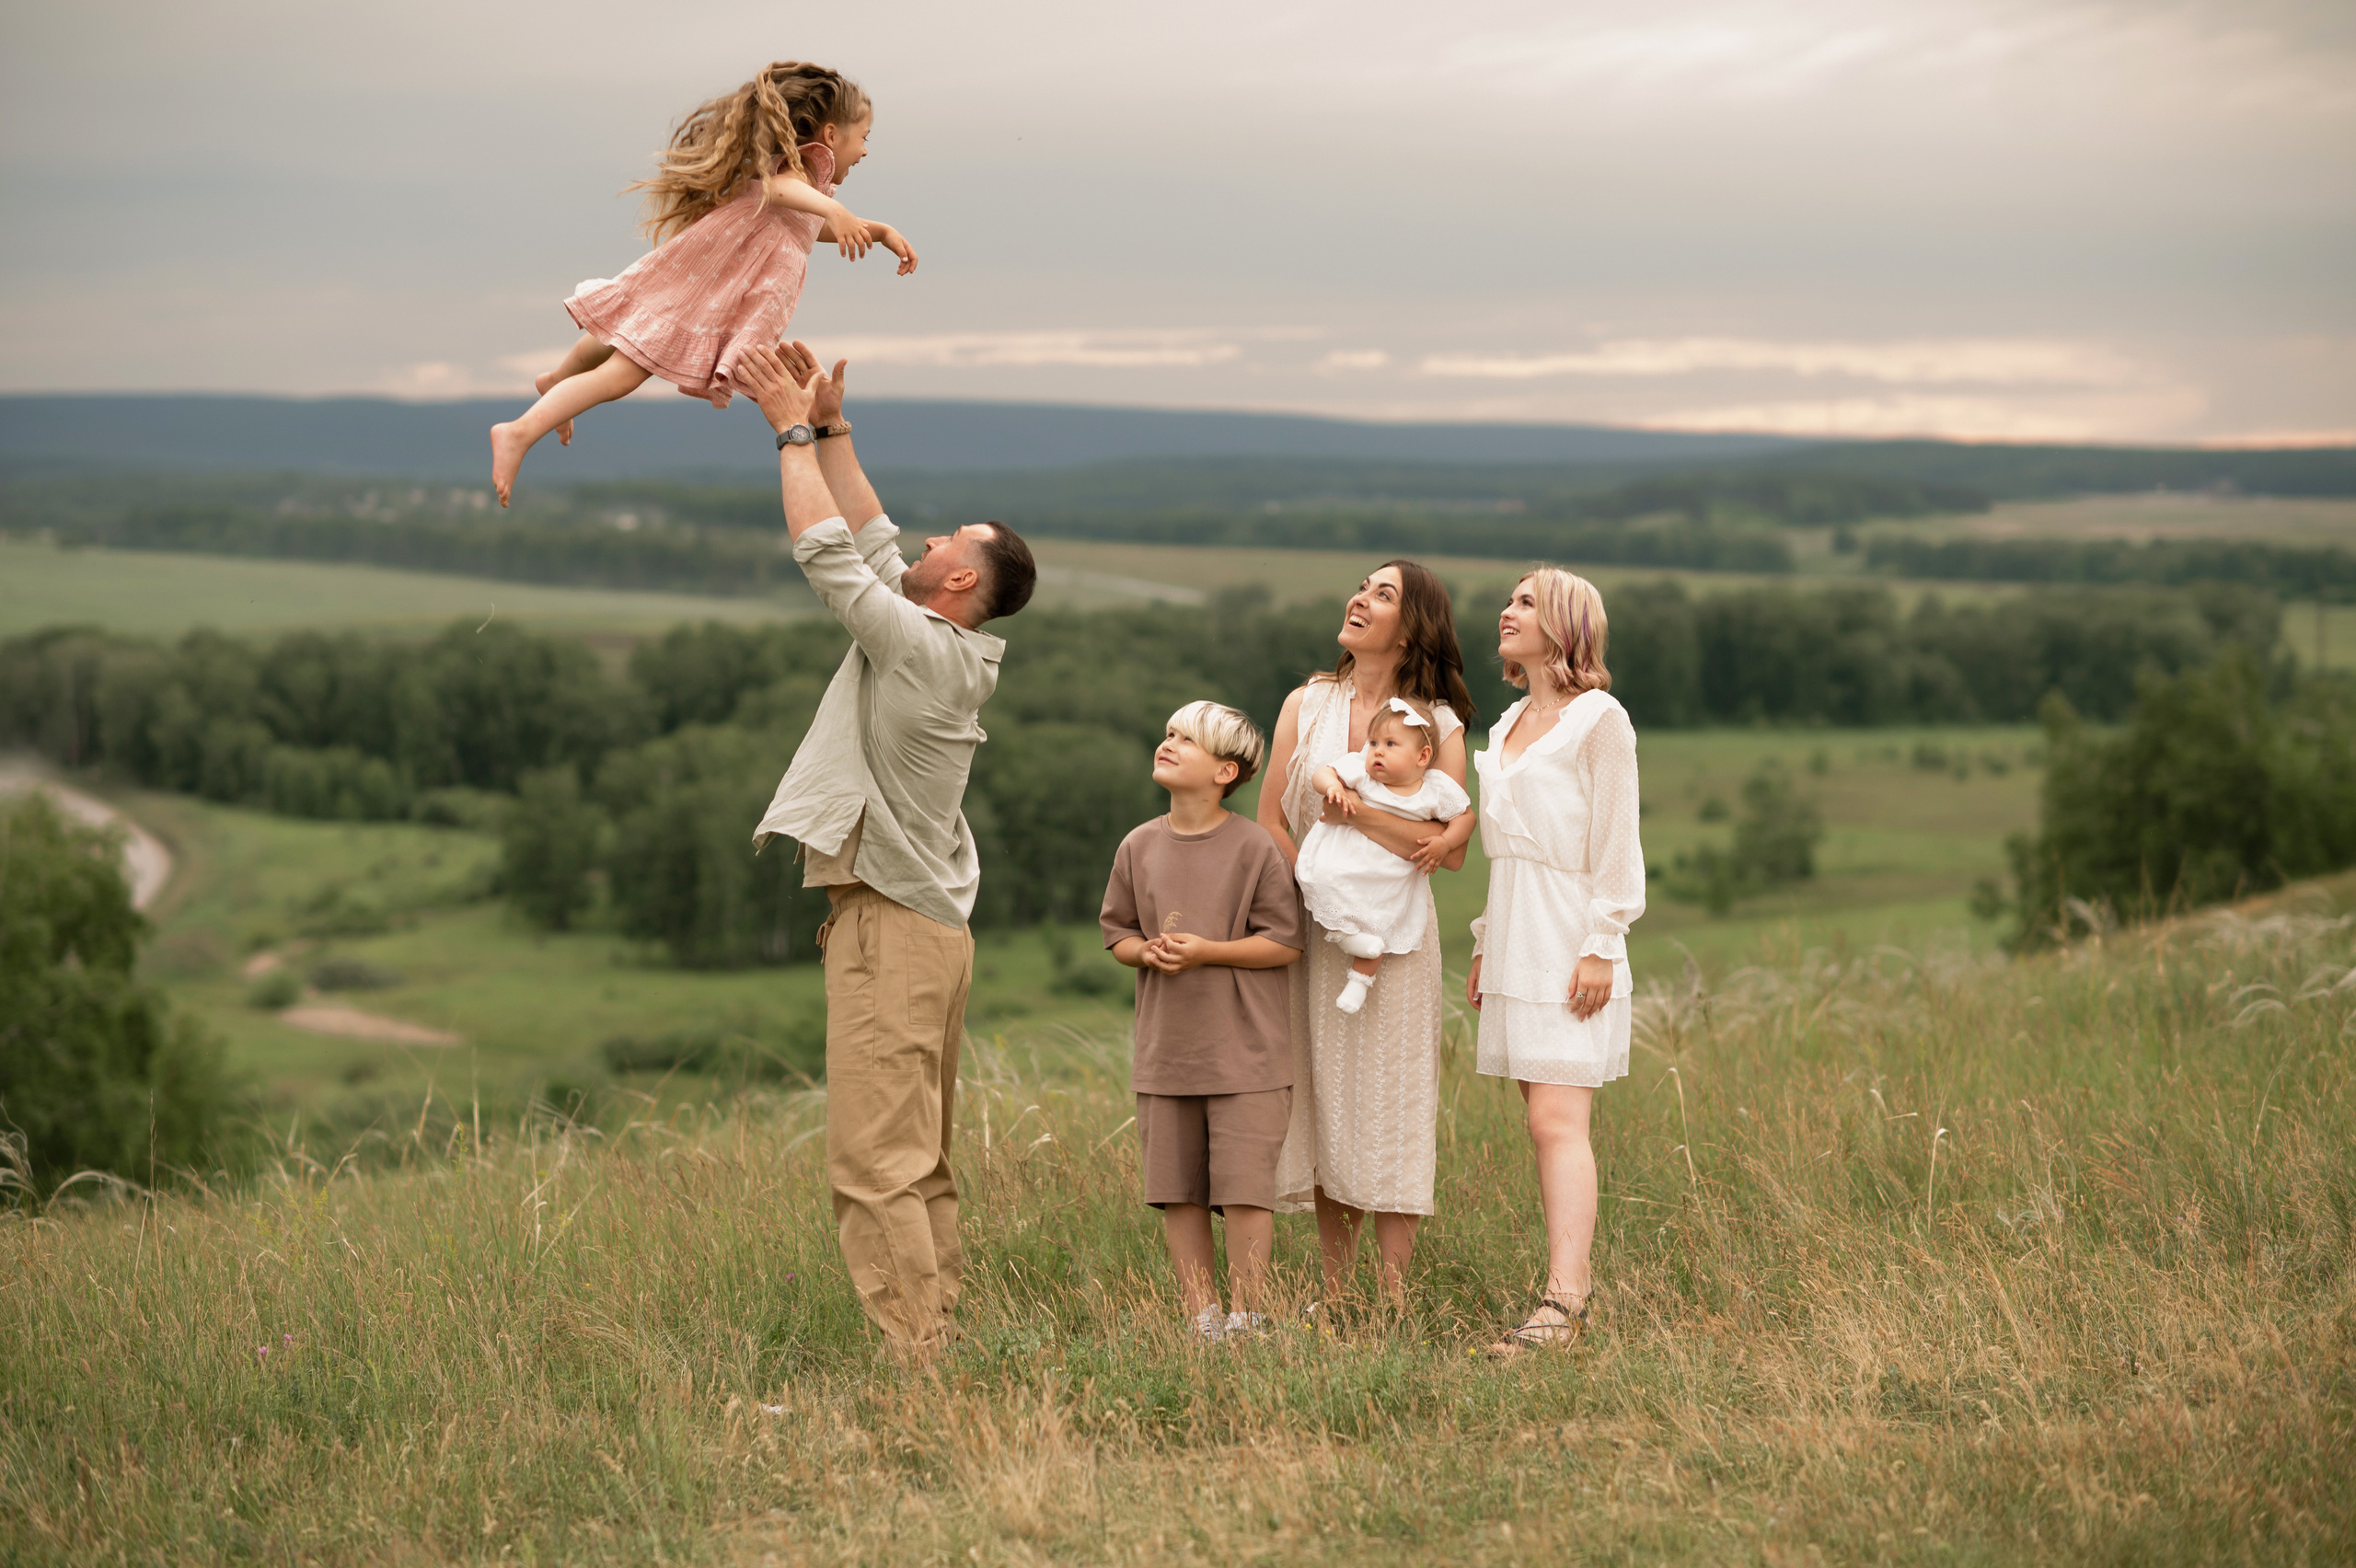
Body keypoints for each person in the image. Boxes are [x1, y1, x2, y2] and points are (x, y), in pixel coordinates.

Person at [735, 339, 1035, 1359]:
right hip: (921, 930)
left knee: (874, 1159)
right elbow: (867, 537)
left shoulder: (919, 647)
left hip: (894, 931)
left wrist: (784, 433)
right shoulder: (932, 637)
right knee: (917, 1157)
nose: (923, 538)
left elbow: (828, 557)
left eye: (947, 537)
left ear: (956, 576)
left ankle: (917, 1356)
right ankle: (934, 1335)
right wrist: (832, 428)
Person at [490, 62, 918, 505]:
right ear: (831, 136)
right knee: (624, 373)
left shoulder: (814, 191)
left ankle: (556, 381)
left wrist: (879, 229)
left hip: (711, 280)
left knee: (624, 332)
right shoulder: (800, 169)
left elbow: (805, 224)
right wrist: (834, 210)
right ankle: (518, 433)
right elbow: (779, 191)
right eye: (864, 138)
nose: (865, 151)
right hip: (716, 282)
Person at [1258, 562, 1477, 1305]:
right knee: (1324, 1103)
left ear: (1412, 627)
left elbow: (1449, 851)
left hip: (1394, 943)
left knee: (1388, 1099)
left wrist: (1354, 815)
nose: (1359, 598)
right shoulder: (1306, 704)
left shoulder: (1436, 728)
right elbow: (1268, 821)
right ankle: (1337, 1293)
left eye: (1383, 594)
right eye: (1362, 586)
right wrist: (1316, 899)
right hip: (1310, 931)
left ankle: (1391, 1297)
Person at [1467, 569, 1644, 1355]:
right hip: (1513, 933)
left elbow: (1616, 839)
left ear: (1566, 625)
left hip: (1572, 936)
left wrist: (1604, 942)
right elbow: (1506, 850)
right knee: (1538, 1124)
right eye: (1509, 599)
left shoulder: (1599, 719)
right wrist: (1481, 941)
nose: (1507, 611)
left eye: (1527, 603)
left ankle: (1565, 1306)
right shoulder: (1509, 721)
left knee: (1556, 1120)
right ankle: (1562, 1290)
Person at [1100, 702, 1305, 1342]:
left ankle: (1247, 1318)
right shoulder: (1137, 845)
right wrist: (1147, 952)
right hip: (1167, 1056)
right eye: (1168, 733)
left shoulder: (1254, 848)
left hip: (1248, 1058)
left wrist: (1209, 952)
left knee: (1245, 1191)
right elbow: (1118, 934)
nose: (1168, 744)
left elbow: (1286, 943)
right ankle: (1203, 1321)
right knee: (1177, 1192)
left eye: (1187, 740)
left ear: (1225, 770)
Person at [1295, 696, 1473, 1015]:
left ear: (1423, 756)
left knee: (1382, 917)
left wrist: (1445, 842)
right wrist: (1332, 787)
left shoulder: (1433, 790)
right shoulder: (1362, 774)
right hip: (1346, 859)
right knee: (1322, 881)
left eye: (1391, 744)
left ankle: (1360, 980)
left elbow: (1466, 818)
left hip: (1389, 873)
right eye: (1374, 741)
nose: (1377, 750)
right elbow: (1324, 772)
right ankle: (1348, 940)